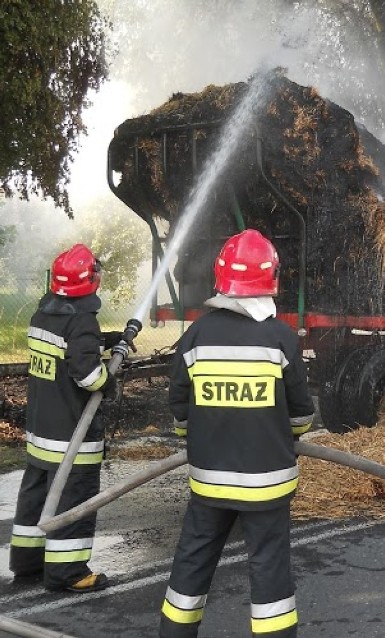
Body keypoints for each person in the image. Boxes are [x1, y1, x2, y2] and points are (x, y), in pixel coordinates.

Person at [160, 229, 314, 638]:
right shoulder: (280, 338)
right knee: (270, 575)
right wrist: (289, 435)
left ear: (221, 278)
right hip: (266, 486)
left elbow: (179, 408)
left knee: (191, 564)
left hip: (208, 481)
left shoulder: (195, 336)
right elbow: (301, 414)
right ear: (272, 279)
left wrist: (197, 435)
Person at [10, 244, 128, 593]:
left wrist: (106, 340)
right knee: (71, 502)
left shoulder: (41, 315)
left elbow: (65, 351)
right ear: (90, 281)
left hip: (41, 432)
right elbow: (87, 375)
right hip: (72, 437)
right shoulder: (82, 322)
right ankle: (68, 573)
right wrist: (109, 381)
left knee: (35, 497)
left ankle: (28, 563)